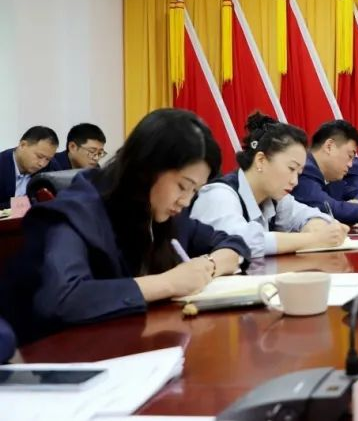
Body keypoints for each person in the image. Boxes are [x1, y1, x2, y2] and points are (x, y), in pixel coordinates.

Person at [0, 109, 250, 343]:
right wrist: (168, 283)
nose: (185, 201)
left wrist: (211, 266)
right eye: (182, 186)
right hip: (63, 357)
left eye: (194, 191)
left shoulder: (166, 214)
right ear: (147, 169)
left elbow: (233, 242)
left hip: (137, 346)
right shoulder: (74, 214)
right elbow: (63, 299)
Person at [190, 113, 350, 258]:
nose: (295, 181)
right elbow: (243, 242)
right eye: (291, 169)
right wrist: (313, 238)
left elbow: (307, 214)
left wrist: (314, 225)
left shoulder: (274, 197)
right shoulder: (219, 195)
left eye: (299, 173)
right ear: (261, 160)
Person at [1, 126, 59, 208]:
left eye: (48, 159)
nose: (42, 164)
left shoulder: (51, 167)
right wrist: (26, 204)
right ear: (22, 145)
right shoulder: (2, 164)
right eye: (39, 156)